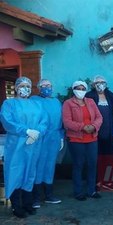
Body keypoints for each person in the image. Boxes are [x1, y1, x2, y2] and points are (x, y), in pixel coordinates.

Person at [0, 76, 48, 218]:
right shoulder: (9, 104)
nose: (25, 89)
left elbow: (44, 121)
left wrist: (37, 133)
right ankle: (16, 206)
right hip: (16, 145)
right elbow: (7, 121)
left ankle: (28, 203)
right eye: (22, 86)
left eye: (28, 86)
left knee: (29, 173)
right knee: (16, 172)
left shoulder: (37, 104)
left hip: (33, 144)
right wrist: (26, 131)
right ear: (16, 88)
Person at [62, 81, 103, 200]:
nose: (80, 90)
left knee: (92, 164)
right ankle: (78, 192)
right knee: (78, 165)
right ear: (73, 89)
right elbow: (67, 121)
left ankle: (91, 190)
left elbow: (99, 117)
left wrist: (94, 126)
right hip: (76, 139)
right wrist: (82, 127)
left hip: (92, 138)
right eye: (78, 88)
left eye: (83, 88)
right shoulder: (68, 103)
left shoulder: (90, 102)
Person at [30, 79, 63, 209]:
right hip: (40, 136)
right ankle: (36, 198)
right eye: (43, 86)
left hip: (54, 137)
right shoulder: (34, 100)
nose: (47, 87)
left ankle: (49, 195)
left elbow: (60, 121)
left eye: (49, 85)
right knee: (38, 165)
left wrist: (61, 136)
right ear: (39, 88)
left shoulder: (56, 102)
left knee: (50, 166)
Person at [85, 75, 113, 191]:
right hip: (95, 134)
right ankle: (96, 182)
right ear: (93, 85)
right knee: (95, 158)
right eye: (97, 82)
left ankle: (109, 182)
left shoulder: (111, 96)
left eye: (102, 82)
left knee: (110, 158)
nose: (100, 84)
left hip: (110, 133)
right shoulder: (89, 96)